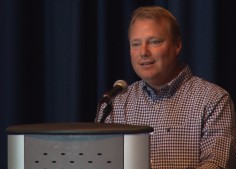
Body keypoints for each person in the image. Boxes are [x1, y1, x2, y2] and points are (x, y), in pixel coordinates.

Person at [96, 6, 236, 168]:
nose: (143, 52)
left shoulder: (213, 99)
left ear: (177, 45)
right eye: (136, 44)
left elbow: (216, 163)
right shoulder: (115, 102)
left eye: (154, 42)